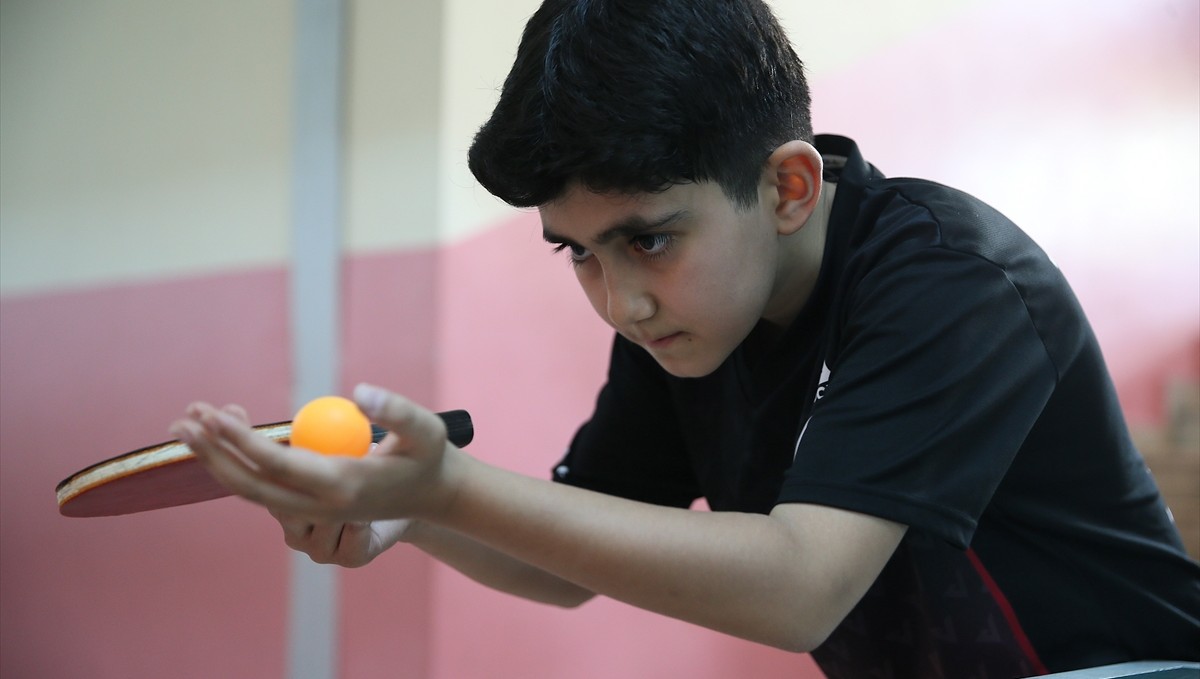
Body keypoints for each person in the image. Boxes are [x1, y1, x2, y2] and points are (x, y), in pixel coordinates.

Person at [171, 0, 1200, 676]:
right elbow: (569, 559)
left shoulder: (950, 277)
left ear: (788, 186)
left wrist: (449, 488)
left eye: (647, 239)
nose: (620, 303)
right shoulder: (687, 321)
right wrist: (404, 511)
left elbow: (800, 585)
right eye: (577, 253)